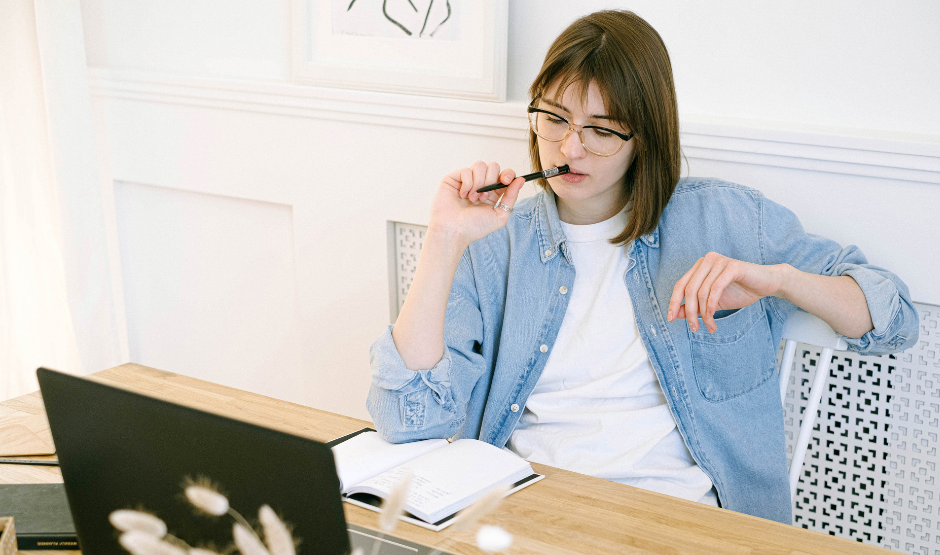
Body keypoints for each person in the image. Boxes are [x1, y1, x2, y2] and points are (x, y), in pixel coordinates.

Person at [367, 10, 918, 524]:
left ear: (645, 136)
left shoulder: (726, 219)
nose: (569, 149)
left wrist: (781, 281)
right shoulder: (495, 243)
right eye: (553, 119)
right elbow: (409, 417)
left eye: (602, 130)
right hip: (529, 510)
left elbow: (893, 319)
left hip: (680, 521)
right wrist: (443, 238)